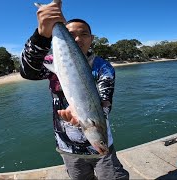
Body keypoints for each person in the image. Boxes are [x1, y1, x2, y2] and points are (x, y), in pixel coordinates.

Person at [20, 2, 129, 180]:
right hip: (67, 147)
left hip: (103, 154)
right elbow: (28, 71)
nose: (78, 39)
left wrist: (81, 110)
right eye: (71, 35)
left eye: (84, 34)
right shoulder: (50, 61)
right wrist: (41, 36)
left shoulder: (104, 67)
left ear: (92, 38)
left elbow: (105, 101)